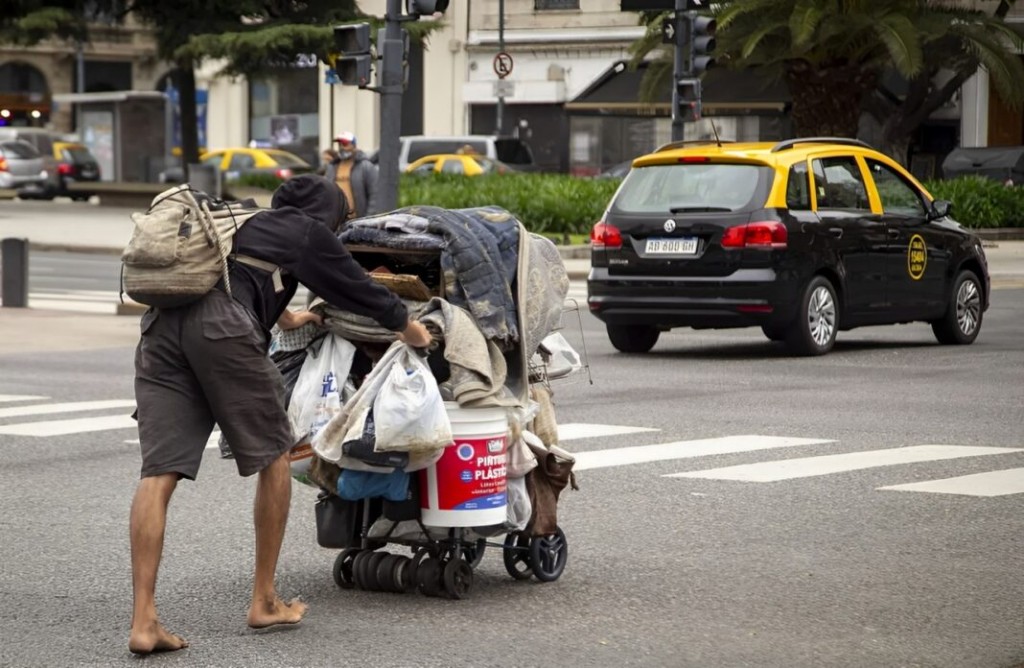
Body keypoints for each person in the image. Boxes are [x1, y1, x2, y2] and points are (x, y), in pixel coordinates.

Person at [127, 174, 430, 655]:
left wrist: (289, 317)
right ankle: (264, 601)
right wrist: (411, 330)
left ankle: (144, 622)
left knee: (158, 473)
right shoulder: (307, 231)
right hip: (222, 330)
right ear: (329, 214)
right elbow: (359, 290)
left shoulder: (245, 222)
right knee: (275, 457)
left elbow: (240, 277)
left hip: (162, 331)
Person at [324, 131, 379, 219]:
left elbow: (375, 194)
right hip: (337, 219)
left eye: (345, 144)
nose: (342, 147)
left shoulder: (365, 166)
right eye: (340, 144)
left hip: (358, 219)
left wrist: (368, 218)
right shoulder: (332, 167)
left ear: (354, 146)